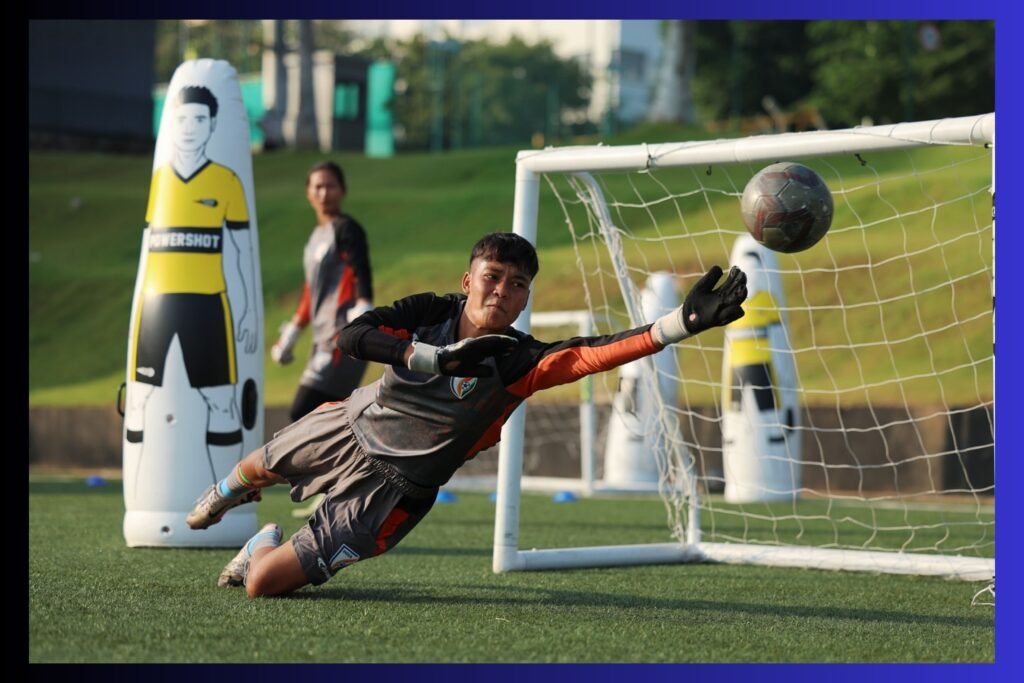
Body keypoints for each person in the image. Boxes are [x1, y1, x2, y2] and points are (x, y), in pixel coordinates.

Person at [186, 232, 747, 598]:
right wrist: (433, 358)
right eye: (492, 276)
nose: (502, 291)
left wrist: (679, 324)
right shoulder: (429, 312)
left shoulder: (518, 360)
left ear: (525, 299)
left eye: (517, 285)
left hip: (394, 492)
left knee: (262, 585)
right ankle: (226, 493)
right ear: (468, 281)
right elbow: (351, 336)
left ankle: (261, 542)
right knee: (256, 469)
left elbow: (590, 353)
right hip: (351, 426)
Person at [124, 84, 258, 490]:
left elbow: (240, 252)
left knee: (221, 401)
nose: (189, 127)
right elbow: (147, 248)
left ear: (212, 124)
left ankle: (222, 500)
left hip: (207, 307)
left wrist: (247, 311)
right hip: (157, 307)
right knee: (139, 399)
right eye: (181, 119)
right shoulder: (161, 179)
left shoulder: (226, 180)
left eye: (199, 119)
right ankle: (143, 492)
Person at [271, 161, 374, 423]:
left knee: (304, 411)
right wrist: (292, 334)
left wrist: (363, 308)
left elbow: (360, 270)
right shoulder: (316, 236)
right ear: (308, 192)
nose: (324, 193)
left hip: (341, 337)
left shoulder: (347, 229)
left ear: (343, 190)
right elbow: (311, 290)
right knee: (327, 419)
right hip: (321, 339)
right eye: (318, 187)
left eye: (331, 186)